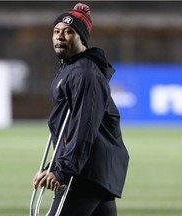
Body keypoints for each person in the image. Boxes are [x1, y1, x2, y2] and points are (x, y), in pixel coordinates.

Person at [33, 3, 129, 216]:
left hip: (85, 171)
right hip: (93, 169)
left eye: (69, 32)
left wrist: (61, 170)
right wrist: (53, 165)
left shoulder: (84, 74)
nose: (60, 37)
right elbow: (68, 131)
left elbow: (83, 126)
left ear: (82, 39)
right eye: (57, 31)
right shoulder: (71, 69)